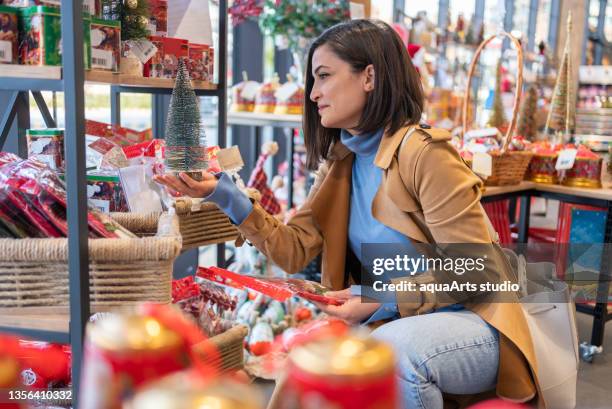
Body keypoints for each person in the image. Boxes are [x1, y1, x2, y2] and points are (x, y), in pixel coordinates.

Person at [155, 19, 542, 409]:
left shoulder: (426, 156)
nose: (313, 93)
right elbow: (292, 250)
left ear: (369, 76)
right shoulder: (343, 161)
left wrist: (380, 297)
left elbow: (477, 269)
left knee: (395, 354)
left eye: (323, 76)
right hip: (399, 320)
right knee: (304, 359)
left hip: (480, 321)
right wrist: (224, 193)